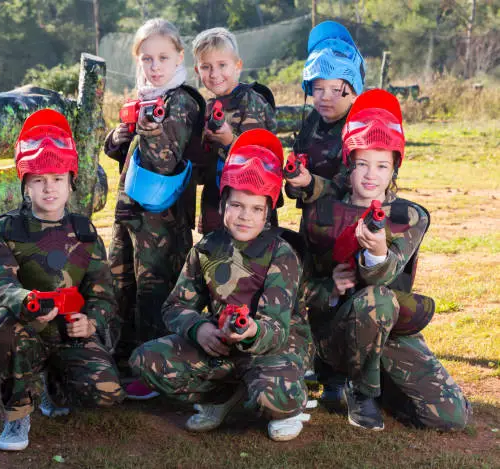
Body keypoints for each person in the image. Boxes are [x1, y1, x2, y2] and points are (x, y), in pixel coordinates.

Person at [300, 89, 471, 431]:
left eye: (382, 165)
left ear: (394, 168)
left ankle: (380, 385)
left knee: (451, 417)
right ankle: (358, 389)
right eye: (362, 163)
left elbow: (386, 272)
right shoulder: (321, 211)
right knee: (373, 300)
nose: (370, 175)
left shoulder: (408, 216)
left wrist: (376, 250)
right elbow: (296, 286)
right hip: (333, 332)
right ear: (349, 164)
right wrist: (329, 288)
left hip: (387, 331)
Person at [129, 129, 314, 442]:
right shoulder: (206, 249)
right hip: (220, 344)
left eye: (256, 209)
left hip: (273, 349)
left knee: (273, 399)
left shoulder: (281, 253)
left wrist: (252, 331)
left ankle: (287, 402)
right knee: (144, 360)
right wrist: (199, 329)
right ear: (224, 203)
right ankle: (220, 397)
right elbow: (175, 307)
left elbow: (278, 328)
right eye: (237, 205)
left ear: (268, 213)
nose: (245, 217)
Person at [0, 109, 124, 451]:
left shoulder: (85, 232)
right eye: (39, 180)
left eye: (57, 179)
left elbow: (104, 292)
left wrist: (91, 323)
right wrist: (25, 302)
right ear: (25, 184)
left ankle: (56, 383)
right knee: (1, 327)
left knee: (107, 393)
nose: (49, 188)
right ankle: (16, 416)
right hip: (26, 325)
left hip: (70, 331)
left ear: (71, 181)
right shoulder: (5, 230)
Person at [103, 18, 205, 400]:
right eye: (147, 58)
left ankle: (154, 370)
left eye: (163, 57)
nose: (155, 66)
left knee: (154, 291)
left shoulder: (180, 100)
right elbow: (117, 151)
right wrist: (120, 133)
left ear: (180, 56)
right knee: (120, 287)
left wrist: (147, 129)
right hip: (129, 213)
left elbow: (164, 160)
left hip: (162, 221)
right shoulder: (144, 97)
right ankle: (123, 358)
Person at [192, 27, 278, 234]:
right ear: (197, 71)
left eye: (222, 65)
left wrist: (230, 141)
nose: (214, 74)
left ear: (238, 66)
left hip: (251, 211)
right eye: (206, 67)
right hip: (217, 206)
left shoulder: (251, 102)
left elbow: (261, 161)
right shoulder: (208, 107)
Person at [285, 20, 365, 203]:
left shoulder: (360, 129)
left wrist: (311, 183)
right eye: (319, 89)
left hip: (348, 225)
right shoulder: (313, 121)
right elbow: (298, 157)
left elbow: (350, 186)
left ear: (354, 94)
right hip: (311, 226)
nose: (325, 97)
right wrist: (294, 182)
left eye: (336, 90)